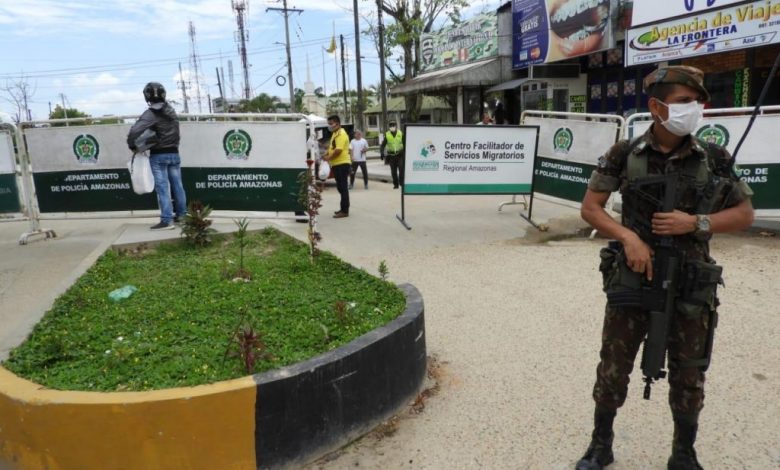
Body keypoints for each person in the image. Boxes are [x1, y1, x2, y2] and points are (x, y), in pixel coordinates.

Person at [576, 66, 754, 470]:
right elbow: (591, 208)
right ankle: (601, 444)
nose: (695, 109)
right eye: (683, 102)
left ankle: (683, 452)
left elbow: (744, 213)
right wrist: (629, 238)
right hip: (634, 277)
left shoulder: (714, 157)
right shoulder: (625, 153)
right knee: (614, 366)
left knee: (689, 372)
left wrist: (696, 222)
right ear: (656, 107)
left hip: (691, 281)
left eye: (697, 102)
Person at [127, 82, 187, 231]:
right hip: (174, 153)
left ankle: (166, 220)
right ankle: (182, 216)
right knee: (178, 186)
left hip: (159, 155)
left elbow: (134, 131)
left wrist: (132, 145)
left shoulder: (151, 113)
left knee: (162, 188)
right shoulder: (171, 110)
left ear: (147, 96)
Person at [322, 114, 351, 218]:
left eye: (331, 123)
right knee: (340, 188)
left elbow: (338, 150)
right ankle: (343, 209)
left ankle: (345, 211)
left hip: (342, 164)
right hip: (337, 164)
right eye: (328, 123)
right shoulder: (335, 133)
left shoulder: (341, 134)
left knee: (343, 188)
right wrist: (326, 154)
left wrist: (328, 158)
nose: (329, 126)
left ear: (337, 124)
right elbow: (332, 148)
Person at [379, 121, 404, 189]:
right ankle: (396, 184)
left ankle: (401, 182)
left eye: (393, 125)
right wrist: (381, 153)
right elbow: (383, 145)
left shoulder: (400, 133)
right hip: (391, 156)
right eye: (391, 126)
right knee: (393, 171)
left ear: (396, 126)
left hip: (400, 155)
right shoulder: (387, 134)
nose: (392, 127)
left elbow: (405, 143)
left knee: (401, 169)